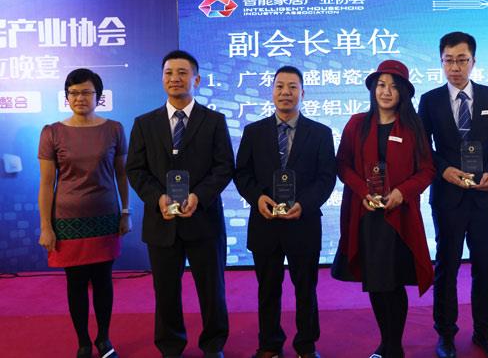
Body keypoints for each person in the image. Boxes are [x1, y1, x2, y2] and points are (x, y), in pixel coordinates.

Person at [125, 50, 234, 358]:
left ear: (196, 80)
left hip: (204, 220)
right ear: (162, 79)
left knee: (211, 290)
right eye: (169, 72)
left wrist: (199, 196)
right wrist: (157, 197)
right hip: (162, 221)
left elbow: (224, 166)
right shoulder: (144, 123)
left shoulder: (214, 121)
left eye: (182, 72)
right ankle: (170, 345)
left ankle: (213, 345)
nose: (175, 78)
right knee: (166, 291)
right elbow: (135, 169)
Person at [332, 59, 435, 358]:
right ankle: (385, 343)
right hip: (367, 216)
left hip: (399, 216)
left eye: (393, 86)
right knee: (376, 283)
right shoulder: (356, 124)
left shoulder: (413, 127)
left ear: (403, 92)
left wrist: (402, 192)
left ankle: (394, 346)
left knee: (394, 282)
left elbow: (427, 170)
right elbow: (343, 164)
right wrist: (363, 191)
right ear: (373, 89)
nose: (386, 91)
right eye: (381, 85)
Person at [418, 32, 488, 358]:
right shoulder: (430, 100)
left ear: (473, 61)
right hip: (448, 197)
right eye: (449, 61)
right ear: (441, 62)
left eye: (462, 60)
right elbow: (422, 146)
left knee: (485, 267)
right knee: (447, 266)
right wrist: (443, 170)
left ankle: (485, 332)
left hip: (484, 197)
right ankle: (445, 334)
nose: (455, 67)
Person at [235, 65, 336, 358]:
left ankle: (306, 345)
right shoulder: (253, 132)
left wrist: (304, 204)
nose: (285, 92)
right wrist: (258, 199)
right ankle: (269, 344)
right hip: (265, 223)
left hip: (303, 223)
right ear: (272, 92)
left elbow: (326, 178)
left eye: (292, 87)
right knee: (268, 289)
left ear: (303, 93)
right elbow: (242, 174)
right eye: (280, 86)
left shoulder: (320, 133)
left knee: (306, 289)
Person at [38, 68, 131, 358]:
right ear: (66, 97)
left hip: (105, 217)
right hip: (67, 221)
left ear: (98, 96)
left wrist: (125, 211)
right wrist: (46, 226)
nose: (80, 98)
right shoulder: (52, 132)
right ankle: (83, 342)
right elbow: (46, 183)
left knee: (103, 281)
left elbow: (122, 175)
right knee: (76, 283)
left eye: (86, 92)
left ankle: (104, 339)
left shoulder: (114, 129)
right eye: (74, 93)